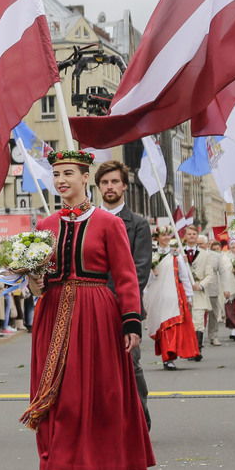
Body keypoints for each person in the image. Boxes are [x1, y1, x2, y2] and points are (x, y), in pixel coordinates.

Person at [13, 151, 152, 470]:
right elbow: (39, 278)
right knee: (53, 393)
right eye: (56, 174)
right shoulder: (45, 226)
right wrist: (32, 278)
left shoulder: (109, 223)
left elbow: (125, 276)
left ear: (85, 177)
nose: (61, 180)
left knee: (97, 394)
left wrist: (130, 320)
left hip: (96, 312)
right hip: (53, 312)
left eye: (68, 173)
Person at [94, 159, 153, 425]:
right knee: (96, 368)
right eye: (105, 182)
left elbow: (139, 271)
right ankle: (105, 421)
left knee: (132, 364)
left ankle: (141, 416)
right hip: (92, 306)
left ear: (125, 186)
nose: (110, 186)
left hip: (124, 306)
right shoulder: (90, 222)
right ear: (97, 187)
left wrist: (114, 303)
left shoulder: (138, 224)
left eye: (115, 181)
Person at [144, 232, 198, 370]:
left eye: (168, 235)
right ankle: (166, 355)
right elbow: (146, 277)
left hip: (173, 294)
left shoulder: (176, 254)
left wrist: (189, 295)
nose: (167, 238)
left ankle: (169, 356)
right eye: (163, 235)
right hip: (157, 295)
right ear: (157, 238)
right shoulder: (150, 253)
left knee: (171, 324)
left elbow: (184, 275)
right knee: (161, 326)